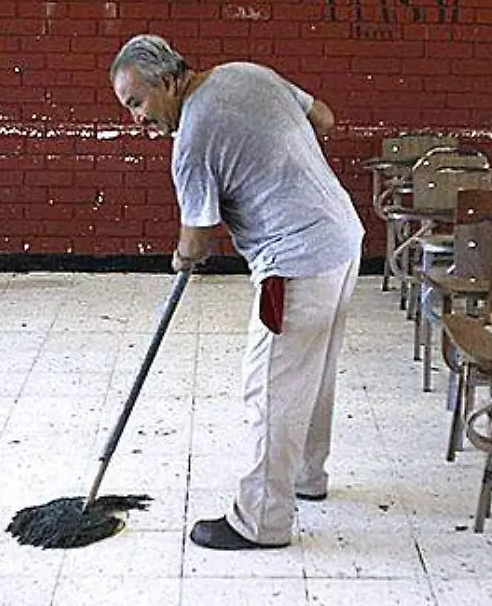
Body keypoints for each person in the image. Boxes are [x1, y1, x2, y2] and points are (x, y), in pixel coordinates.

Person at [110, 35, 363, 550]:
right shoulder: (247, 71)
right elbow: (325, 119)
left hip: (293, 266)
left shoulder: (193, 140)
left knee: (271, 389)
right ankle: (307, 478)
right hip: (343, 239)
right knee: (314, 373)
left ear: (167, 80)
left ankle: (261, 522)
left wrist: (181, 258)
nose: (136, 119)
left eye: (137, 102)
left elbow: (197, 238)